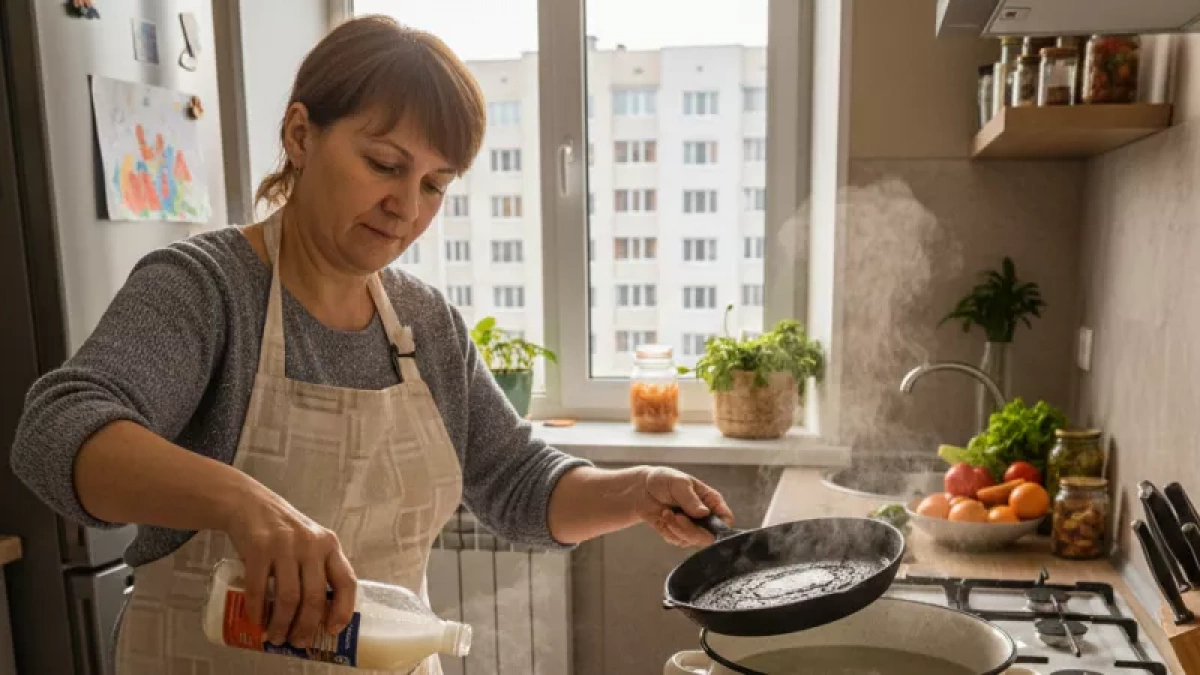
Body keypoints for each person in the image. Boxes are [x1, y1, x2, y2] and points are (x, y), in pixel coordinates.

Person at [9, 14, 734, 675]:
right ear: (300, 134)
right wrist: (244, 503)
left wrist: (635, 490)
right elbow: (55, 430)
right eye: (385, 165)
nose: (407, 206)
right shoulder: (207, 289)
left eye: (434, 185)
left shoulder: (427, 325)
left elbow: (519, 485)